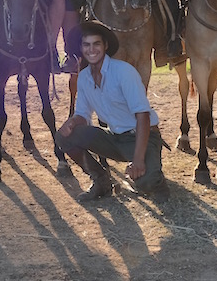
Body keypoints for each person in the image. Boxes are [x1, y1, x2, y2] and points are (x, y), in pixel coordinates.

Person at [56, 21, 169, 201]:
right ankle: (101, 182)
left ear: (106, 46)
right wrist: (72, 122)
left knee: (146, 184)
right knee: (63, 136)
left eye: (96, 44)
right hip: (114, 137)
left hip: (141, 136)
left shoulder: (124, 72)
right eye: (86, 45)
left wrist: (138, 159)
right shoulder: (84, 78)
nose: (91, 50)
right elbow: (83, 115)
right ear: (81, 48)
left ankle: (157, 180)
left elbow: (143, 116)